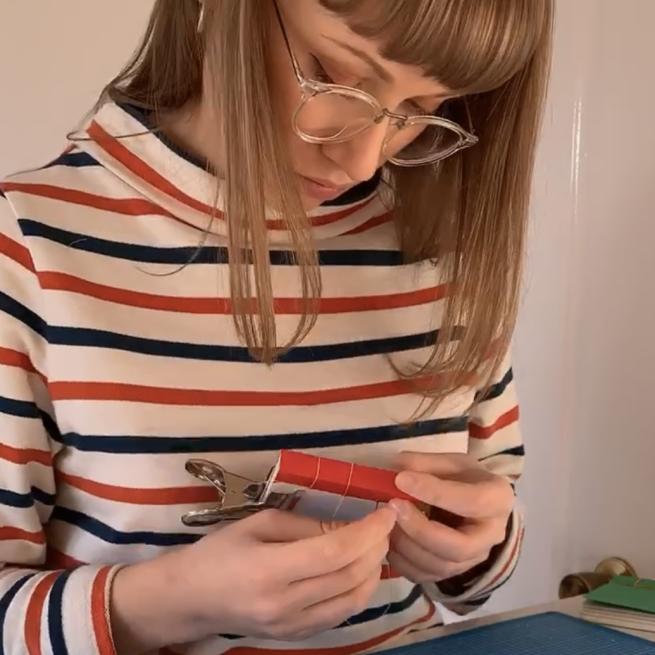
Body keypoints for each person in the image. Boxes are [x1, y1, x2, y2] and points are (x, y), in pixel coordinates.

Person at [0, 0, 552, 653]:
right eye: (333, 74)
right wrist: (168, 602)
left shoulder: (443, 254)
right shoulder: (28, 247)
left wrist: (473, 543)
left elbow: (486, 543)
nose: (362, 159)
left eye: (417, 112)